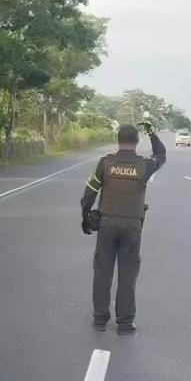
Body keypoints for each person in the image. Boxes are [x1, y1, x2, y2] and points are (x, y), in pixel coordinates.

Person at [80, 122, 166, 335]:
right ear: (137, 142)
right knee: (127, 275)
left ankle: (100, 319)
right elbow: (161, 154)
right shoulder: (144, 166)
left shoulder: (105, 163)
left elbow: (89, 193)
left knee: (102, 272)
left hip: (107, 224)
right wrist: (152, 132)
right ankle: (125, 324)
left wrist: (85, 217)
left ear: (118, 140)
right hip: (132, 226)